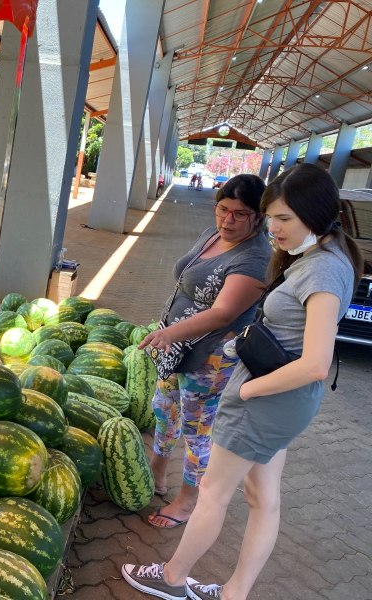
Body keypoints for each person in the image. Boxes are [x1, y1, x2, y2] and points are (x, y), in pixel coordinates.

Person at [123, 163, 362, 600]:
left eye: (284, 218)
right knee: (261, 498)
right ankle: (234, 592)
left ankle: (172, 578)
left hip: (266, 399)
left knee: (213, 492)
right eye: (271, 217)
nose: (274, 228)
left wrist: (248, 390)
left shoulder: (323, 271)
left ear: (317, 213)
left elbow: (315, 364)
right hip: (282, 401)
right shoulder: (321, 258)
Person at [137, 174, 271, 530]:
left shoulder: (257, 258)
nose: (227, 220)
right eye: (223, 209)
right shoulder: (214, 235)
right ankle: (157, 472)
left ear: (258, 217)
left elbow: (223, 313)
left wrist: (169, 332)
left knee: (198, 430)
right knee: (164, 411)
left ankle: (187, 500)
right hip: (176, 347)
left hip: (209, 358)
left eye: (239, 214)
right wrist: (170, 334)